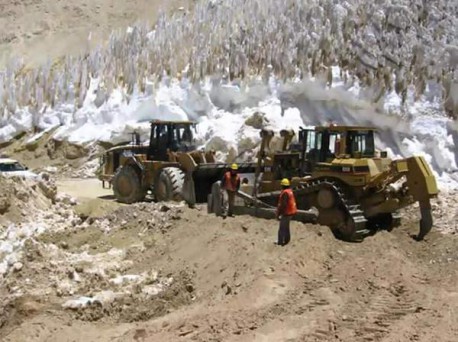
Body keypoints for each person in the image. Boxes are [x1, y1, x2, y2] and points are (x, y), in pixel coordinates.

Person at [276, 178, 297, 246]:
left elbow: (283, 204)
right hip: (291, 212)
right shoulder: (289, 191)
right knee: (286, 227)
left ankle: (280, 242)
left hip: (287, 212)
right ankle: (287, 240)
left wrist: (279, 213)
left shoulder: (285, 193)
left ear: (282, 185)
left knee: (282, 228)